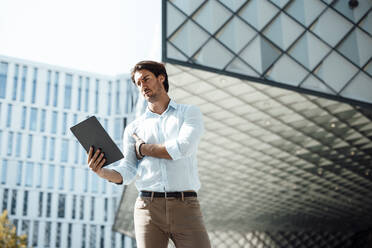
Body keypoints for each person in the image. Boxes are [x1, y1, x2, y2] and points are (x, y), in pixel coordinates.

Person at [87, 60, 211, 248]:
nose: (142, 86)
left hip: (186, 206)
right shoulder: (134, 128)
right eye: (138, 83)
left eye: (146, 79)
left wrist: (143, 149)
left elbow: (182, 148)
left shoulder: (189, 113)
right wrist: (102, 172)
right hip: (147, 208)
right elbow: (128, 170)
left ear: (161, 78)